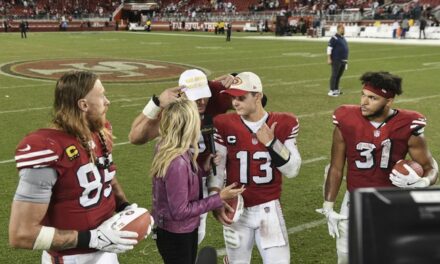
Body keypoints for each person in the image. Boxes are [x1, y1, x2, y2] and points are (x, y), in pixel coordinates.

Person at [9, 71, 140, 264]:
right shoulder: (47, 147)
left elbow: (106, 174)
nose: (107, 101)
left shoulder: (99, 132)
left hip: (107, 250)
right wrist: (92, 238)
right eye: (102, 95)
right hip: (72, 258)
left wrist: (124, 206)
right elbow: (21, 233)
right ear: (83, 105)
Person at [316, 71, 438, 264]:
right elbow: (336, 167)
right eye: (363, 94)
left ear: (389, 101)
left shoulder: (408, 124)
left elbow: (430, 167)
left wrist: (422, 182)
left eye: (373, 98)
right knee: (345, 256)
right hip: (354, 199)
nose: (364, 101)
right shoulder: (346, 118)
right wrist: (328, 205)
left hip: (391, 201)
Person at [129, 69, 234, 244]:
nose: (201, 101)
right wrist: (156, 103)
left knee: (197, 234)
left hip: (207, 170)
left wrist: (236, 79)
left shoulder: (215, 93)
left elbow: (256, 98)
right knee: (190, 234)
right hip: (182, 177)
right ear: (181, 95)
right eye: (196, 97)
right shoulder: (174, 110)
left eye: (204, 95)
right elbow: (135, 137)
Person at [208, 72, 302, 264]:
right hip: (236, 208)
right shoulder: (224, 124)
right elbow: (217, 168)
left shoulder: (283, 123)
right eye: (233, 97)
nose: (235, 103)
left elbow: (292, 170)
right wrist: (215, 197)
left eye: (241, 98)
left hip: (268, 209)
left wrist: (272, 143)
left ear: (257, 96)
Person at [151, 98, 244, 264]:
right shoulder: (177, 161)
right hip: (178, 234)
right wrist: (219, 197)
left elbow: (179, 182)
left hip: (172, 231)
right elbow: (180, 211)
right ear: (188, 126)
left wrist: (203, 168)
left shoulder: (169, 147)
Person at [327, 24, 348, 97]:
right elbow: (329, 48)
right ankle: (331, 90)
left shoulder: (343, 38)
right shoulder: (334, 38)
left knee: (339, 75)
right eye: (342, 28)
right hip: (336, 59)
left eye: (344, 29)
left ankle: (336, 89)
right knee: (334, 75)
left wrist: (346, 60)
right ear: (338, 29)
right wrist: (329, 58)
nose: (343, 30)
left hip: (343, 60)